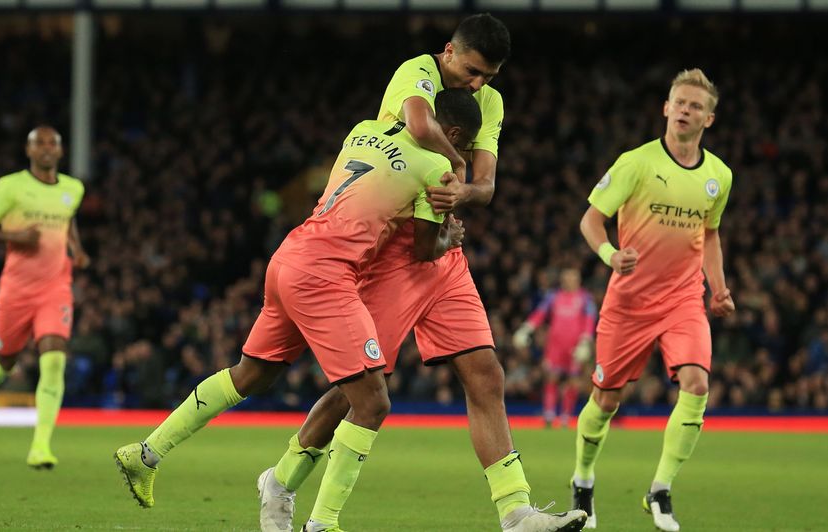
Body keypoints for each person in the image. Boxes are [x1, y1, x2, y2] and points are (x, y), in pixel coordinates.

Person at [257, 14, 586, 532]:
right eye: (474, 71)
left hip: (445, 252)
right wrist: (456, 169)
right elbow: (417, 127)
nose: (478, 85)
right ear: (450, 52)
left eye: (489, 77)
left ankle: (516, 511)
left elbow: (487, 185)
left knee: (486, 374)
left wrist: (464, 192)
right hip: (397, 251)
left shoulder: (489, 102)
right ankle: (282, 479)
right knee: (358, 390)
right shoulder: (417, 72)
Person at [114, 89, 482, 532]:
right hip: (327, 275)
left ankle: (147, 453)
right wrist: (450, 237)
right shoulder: (437, 167)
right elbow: (424, 250)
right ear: (455, 135)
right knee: (371, 402)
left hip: (289, 256)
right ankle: (323, 523)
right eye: (463, 146)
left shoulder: (365, 130)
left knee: (250, 374)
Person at [570, 68, 735, 531]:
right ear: (666, 108)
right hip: (629, 301)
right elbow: (590, 220)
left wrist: (718, 289)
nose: (685, 110)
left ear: (709, 118)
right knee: (606, 399)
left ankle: (660, 490)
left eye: (695, 106)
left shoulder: (718, 176)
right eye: (679, 102)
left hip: (684, 299)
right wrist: (609, 254)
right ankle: (582, 478)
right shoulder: (636, 163)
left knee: (697, 384)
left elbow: (711, 234)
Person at [0, 125, 90, 469]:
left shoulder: (72, 188)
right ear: (29, 150)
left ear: (61, 152)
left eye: (53, 143)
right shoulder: (10, 187)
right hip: (17, 290)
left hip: (55, 289)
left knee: (54, 360)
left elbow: (68, 220)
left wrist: (76, 249)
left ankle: (41, 446)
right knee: (6, 359)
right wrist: (17, 235)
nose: (47, 149)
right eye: (40, 144)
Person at [512, 267, 597, 428]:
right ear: (562, 280)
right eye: (567, 278)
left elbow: (589, 319)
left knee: (573, 381)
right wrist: (527, 328)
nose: (570, 281)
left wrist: (586, 340)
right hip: (555, 345)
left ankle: (566, 416)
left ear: (578, 280)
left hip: (575, 347)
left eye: (573, 278)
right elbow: (540, 314)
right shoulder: (553, 296)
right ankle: (549, 414)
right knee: (551, 377)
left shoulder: (585, 298)